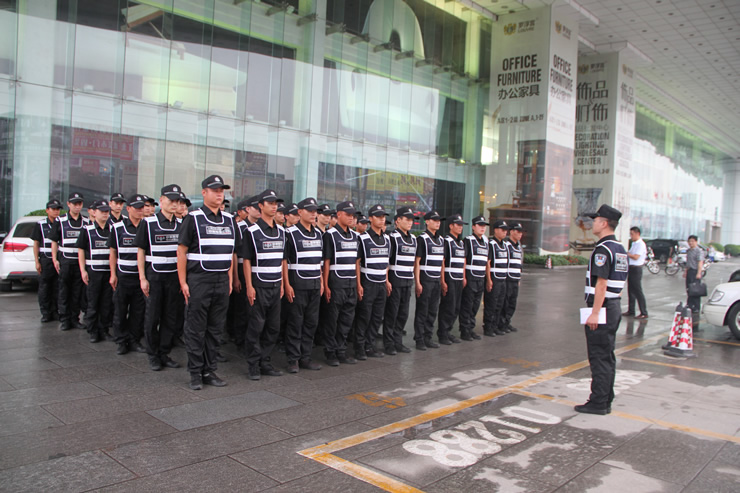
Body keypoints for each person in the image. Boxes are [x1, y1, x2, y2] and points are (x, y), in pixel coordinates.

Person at [178, 175, 235, 390]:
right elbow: (181, 251)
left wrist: (230, 279)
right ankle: (195, 373)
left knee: (215, 329)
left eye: (222, 190)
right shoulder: (193, 218)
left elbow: (231, 253)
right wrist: (183, 282)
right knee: (196, 329)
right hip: (199, 280)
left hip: (221, 281)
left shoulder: (229, 220)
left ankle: (209, 370)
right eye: (215, 190)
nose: (219, 194)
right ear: (204, 193)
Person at [576, 204, 628, 415]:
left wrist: (595, 313)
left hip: (603, 307)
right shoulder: (620, 249)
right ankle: (606, 399)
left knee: (598, 356)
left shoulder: (603, 249)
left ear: (604, 223)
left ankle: (598, 402)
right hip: (614, 305)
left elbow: (601, 284)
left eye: (596, 220)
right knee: (607, 356)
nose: (593, 223)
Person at [136, 185, 184, 371]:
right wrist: (142, 277)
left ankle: (164, 353)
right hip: (154, 277)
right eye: (171, 200)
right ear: (162, 200)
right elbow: (141, 251)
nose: (174, 204)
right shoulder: (148, 223)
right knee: (152, 317)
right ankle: (153, 354)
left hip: (174, 278)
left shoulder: (181, 224)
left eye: (177, 201)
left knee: (170, 318)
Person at [242, 189, 285, 380]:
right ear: (260, 206)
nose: (274, 206)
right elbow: (246, 260)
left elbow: (282, 260)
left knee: (273, 327)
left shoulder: (281, 231)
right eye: (270, 203)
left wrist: (282, 284)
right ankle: (253, 364)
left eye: (276, 203)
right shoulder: (252, 231)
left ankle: (265, 362)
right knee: (256, 327)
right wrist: (249, 286)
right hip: (258, 286)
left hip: (276, 286)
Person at [282, 197, 324, 373]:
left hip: (314, 284)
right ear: (300, 212)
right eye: (310, 211)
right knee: (295, 322)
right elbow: (284, 261)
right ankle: (293, 359)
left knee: (311, 322)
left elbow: (319, 261)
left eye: (315, 211)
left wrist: (321, 281)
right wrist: (286, 284)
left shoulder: (319, 234)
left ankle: (305, 357)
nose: (314, 214)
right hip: (297, 284)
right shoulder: (290, 233)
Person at [321, 201, 360, 366]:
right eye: (348, 214)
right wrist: (326, 285)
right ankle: (330, 352)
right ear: (338, 214)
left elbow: (356, 262)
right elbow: (326, 262)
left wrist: (357, 284)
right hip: (336, 283)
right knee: (332, 320)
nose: (351, 218)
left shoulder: (355, 236)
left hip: (351, 284)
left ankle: (341, 351)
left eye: (353, 215)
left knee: (346, 320)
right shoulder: (330, 235)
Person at [109, 195, 147, 355]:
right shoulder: (118, 228)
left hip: (140, 277)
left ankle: (134, 340)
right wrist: (113, 274)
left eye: (142, 207)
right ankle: (121, 341)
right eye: (137, 208)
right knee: (120, 310)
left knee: (138, 312)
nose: (140, 211)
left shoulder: (147, 226)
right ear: (129, 208)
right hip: (123, 276)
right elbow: (113, 252)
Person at [354, 204, 391, 359]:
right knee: (364, 316)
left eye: (383, 217)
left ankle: (370, 346)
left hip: (382, 282)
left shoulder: (387, 239)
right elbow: (357, 262)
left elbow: (386, 262)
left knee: (377, 317)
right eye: (378, 217)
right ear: (370, 219)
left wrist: (387, 280)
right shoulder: (363, 239)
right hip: (367, 282)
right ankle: (359, 348)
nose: (382, 220)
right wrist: (358, 284)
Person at [50, 192, 90, 331]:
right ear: (68, 204)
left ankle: (74, 318)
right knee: (64, 291)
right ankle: (65, 319)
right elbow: (54, 241)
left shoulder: (86, 222)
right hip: (65, 261)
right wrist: (54, 259)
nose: (77, 206)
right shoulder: (60, 221)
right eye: (74, 204)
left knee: (77, 292)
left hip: (79, 263)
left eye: (80, 204)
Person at [77, 200, 113, 343]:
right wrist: (83, 270)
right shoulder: (87, 230)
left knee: (106, 304)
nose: (105, 214)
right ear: (94, 212)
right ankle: (93, 331)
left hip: (108, 272)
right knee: (93, 303)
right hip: (93, 272)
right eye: (102, 211)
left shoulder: (113, 229)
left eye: (106, 211)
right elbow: (81, 250)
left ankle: (104, 330)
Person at [382, 207, 416, 354]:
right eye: (407, 219)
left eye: (411, 220)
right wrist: (387, 280)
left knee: (403, 313)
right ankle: (389, 343)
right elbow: (386, 261)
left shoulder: (413, 238)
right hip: (395, 280)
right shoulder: (392, 238)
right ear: (398, 221)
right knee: (392, 313)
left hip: (408, 281)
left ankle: (398, 342)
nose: (410, 222)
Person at [413, 210, 444, 350]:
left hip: (436, 279)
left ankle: (428, 337)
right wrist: (418, 282)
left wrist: (442, 280)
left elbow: (442, 262)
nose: (437, 223)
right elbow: (417, 262)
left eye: (439, 221)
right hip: (426, 279)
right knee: (422, 310)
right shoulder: (422, 239)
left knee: (432, 310)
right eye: (434, 220)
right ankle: (419, 339)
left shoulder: (441, 240)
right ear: (427, 222)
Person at [437, 214, 467, 345]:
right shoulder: (446, 241)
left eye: (461, 225)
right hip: (449, 278)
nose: (460, 227)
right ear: (450, 226)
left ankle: (448, 331)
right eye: (458, 225)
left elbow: (463, 261)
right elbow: (442, 262)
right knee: (448, 306)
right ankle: (443, 333)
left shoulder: (461, 242)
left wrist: (464, 277)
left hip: (459, 278)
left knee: (456, 307)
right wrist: (443, 281)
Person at [32, 199, 62, 323]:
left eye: (58, 209)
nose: (56, 211)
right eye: (53, 209)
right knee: (44, 287)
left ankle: (55, 312)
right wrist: (37, 261)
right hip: (45, 259)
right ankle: (45, 312)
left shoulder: (61, 223)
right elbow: (36, 243)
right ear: (47, 210)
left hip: (59, 260)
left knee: (57, 287)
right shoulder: (40, 224)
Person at [459, 215, 488, 341]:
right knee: (467, 304)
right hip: (470, 277)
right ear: (473, 227)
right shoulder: (468, 240)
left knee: (476, 305)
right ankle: (464, 330)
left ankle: (471, 328)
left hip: (481, 277)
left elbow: (487, 261)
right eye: (480, 225)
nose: (482, 228)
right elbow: (464, 259)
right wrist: (464, 276)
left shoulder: (485, 242)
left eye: (484, 226)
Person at [483, 220, 509, 337]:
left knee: (500, 304)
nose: (505, 232)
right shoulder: (491, 244)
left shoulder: (505, 245)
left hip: (503, 279)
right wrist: (489, 280)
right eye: (502, 230)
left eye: (506, 230)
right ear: (496, 230)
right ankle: (488, 327)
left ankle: (495, 325)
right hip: (494, 278)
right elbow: (488, 263)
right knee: (491, 304)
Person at [502, 222, 524, 332]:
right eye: (518, 231)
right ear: (511, 232)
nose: (520, 234)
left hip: (515, 278)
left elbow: (520, 263)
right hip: (507, 278)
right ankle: (502, 323)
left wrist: (519, 277)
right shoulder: (506, 245)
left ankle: (507, 322)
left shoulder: (518, 247)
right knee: (505, 302)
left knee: (512, 302)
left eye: (521, 232)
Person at [623, 226, 648, 319]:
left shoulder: (641, 244)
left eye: (632, 234)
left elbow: (636, 257)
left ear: (638, 234)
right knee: (631, 290)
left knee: (638, 291)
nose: (631, 236)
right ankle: (631, 310)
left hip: (637, 268)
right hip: (631, 267)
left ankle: (644, 312)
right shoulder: (634, 243)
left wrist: (627, 253)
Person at [685, 235, 705, 331]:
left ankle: (696, 307)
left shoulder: (699, 251)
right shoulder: (689, 251)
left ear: (696, 242)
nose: (691, 243)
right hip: (689, 271)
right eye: (689, 241)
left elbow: (700, 262)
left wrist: (699, 273)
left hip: (695, 271)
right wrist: (685, 272)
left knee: (695, 290)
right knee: (689, 288)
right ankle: (690, 304)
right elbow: (688, 263)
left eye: (692, 241)